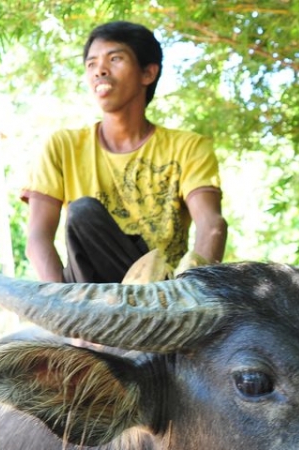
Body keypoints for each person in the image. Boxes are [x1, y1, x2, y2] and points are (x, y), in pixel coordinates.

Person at [20, 21, 228, 284]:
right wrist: (60, 303)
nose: (100, 71)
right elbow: (37, 238)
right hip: (87, 290)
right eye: (91, 64)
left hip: (160, 291)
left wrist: (191, 295)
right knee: (83, 214)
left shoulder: (189, 147)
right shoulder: (62, 146)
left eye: (114, 58)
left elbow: (212, 225)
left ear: (148, 73)